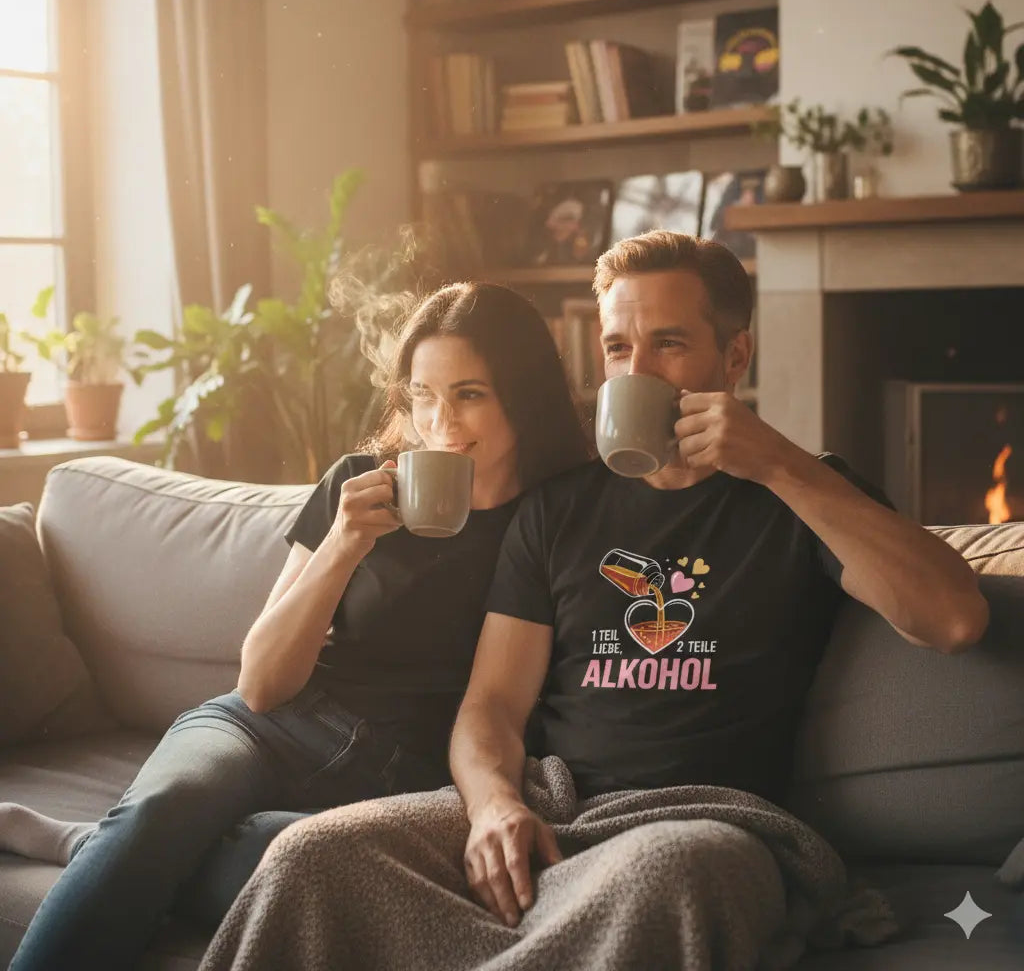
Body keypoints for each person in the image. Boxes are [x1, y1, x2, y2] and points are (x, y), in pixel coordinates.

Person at [195, 231, 990, 971]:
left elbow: (954, 618)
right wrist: (494, 806)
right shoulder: (559, 508)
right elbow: (491, 708)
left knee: (667, 872)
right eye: (618, 348)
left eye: (669, 344)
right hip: (554, 800)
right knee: (312, 856)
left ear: (736, 353)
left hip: (710, 821)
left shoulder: (802, 492)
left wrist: (780, 464)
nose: (637, 371)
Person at [1, 280, 590, 971]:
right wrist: (343, 543)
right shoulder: (357, 486)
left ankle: (115, 851)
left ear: (522, 395)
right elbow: (260, 684)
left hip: (401, 776)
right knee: (170, 803)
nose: (441, 421)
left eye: (469, 394)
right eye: (423, 394)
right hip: (270, 727)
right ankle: (135, 842)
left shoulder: (556, 520)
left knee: (293, 858)